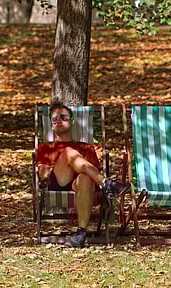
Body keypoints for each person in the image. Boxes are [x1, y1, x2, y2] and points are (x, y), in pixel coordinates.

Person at [36, 102, 130, 248]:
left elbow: (92, 174)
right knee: (68, 152)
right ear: (52, 125)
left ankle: (80, 233)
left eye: (63, 117)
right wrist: (61, 164)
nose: (59, 121)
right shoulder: (45, 147)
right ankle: (107, 183)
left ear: (72, 121)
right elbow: (42, 175)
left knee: (86, 177)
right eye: (55, 119)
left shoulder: (86, 147)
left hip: (78, 185)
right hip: (57, 181)